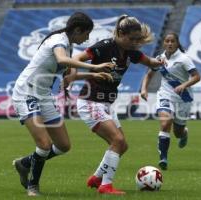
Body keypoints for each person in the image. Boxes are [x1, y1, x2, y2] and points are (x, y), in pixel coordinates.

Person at [11, 12, 114, 197]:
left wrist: (93, 75)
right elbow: (61, 60)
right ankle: (32, 187)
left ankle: (25, 163)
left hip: (43, 95)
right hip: (26, 92)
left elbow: (68, 75)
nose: (88, 38)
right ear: (77, 30)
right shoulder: (58, 41)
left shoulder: (69, 47)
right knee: (44, 144)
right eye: (86, 33)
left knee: (63, 145)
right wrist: (95, 67)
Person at [70, 15, 164, 195]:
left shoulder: (131, 52)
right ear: (121, 33)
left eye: (138, 39)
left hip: (105, 104)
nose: (135, 43)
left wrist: (160, 62)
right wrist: (73, 75)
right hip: (90, 101)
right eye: (132, 39)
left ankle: (96, 178)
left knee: (123, 145)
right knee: (118, 141)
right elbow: (77, 58)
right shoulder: (105, 47)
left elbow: (150, 62)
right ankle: (106, 186)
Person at [141, 32, 201, 170]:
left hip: (183, 98)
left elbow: (197, 77)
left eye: (172, 41)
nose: (169, 43)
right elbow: (149, 74)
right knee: (165, 122)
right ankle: (163, 158)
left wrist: (183, 85)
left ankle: (184, 132)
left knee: (177, 132)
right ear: (164, 43)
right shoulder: (160, 58)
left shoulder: (184, 59)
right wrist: (144, 89)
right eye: (167, 41)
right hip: (165, 95)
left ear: (177, 43)